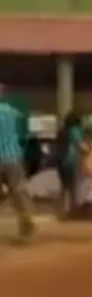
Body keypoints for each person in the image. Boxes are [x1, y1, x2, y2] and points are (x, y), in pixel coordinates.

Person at [0, 84, 35, 241]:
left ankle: (26, 224)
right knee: (19, 191)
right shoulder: (14, 112)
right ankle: (26, 224)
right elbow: (25, 133)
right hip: (13, 155)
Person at [54, 111, 84, 218]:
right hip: (70, 160)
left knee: (64, 187)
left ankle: (61, 210)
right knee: (72, 187)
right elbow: (80, 145)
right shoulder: (74, 130)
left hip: (60, 160)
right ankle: (72, 211)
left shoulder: (61, 131)